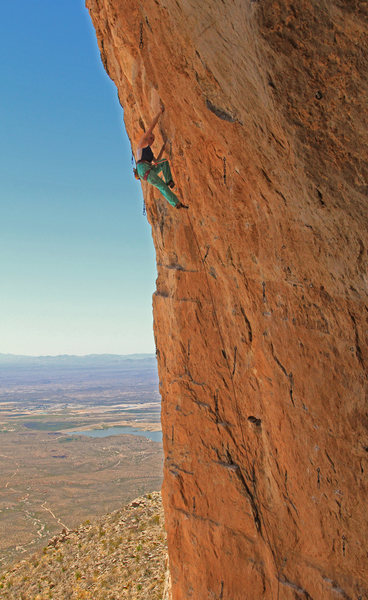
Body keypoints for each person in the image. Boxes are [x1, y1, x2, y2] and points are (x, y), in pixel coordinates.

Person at [135, 106, 188, 209]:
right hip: (143, 169)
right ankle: (176, 203)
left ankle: (169, 181)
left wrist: (163, 149)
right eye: (152, 138)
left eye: (153, 139)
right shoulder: (142, 143)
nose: (152, 140)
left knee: (164, 162)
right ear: (148, 137)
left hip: (148, 169)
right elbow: (151, 126)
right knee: (161, 185)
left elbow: (156, 161)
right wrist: (159, 112)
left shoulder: (148, 151)